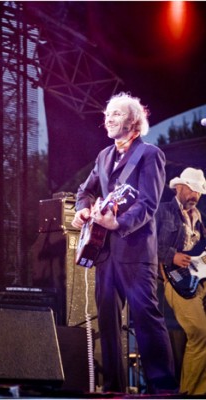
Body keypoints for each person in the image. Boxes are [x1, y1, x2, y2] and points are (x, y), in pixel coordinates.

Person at [71, 92, 178, 394]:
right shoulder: (103, 156)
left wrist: (119, 222)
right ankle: (113, 387)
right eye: (106, 114)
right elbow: (85, 190)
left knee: (146, 317)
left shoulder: (150, 154)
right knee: (107, 321)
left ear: (133, 121)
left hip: (136, 250)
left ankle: (163, 388)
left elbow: (148, 204)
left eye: (115, 114)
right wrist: (82, 208)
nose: (107, 119)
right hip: (104, 251)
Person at [156, 167, 206, 395]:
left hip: (199, 281)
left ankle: (196, 392)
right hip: (174, 279)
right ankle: (191, 393)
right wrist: (171, 256)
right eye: (192, 189)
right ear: (179, 187)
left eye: (199, 191)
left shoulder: (200, 219)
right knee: (199, 332)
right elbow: (146, 244)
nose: (195, 195)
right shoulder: (162, 212)